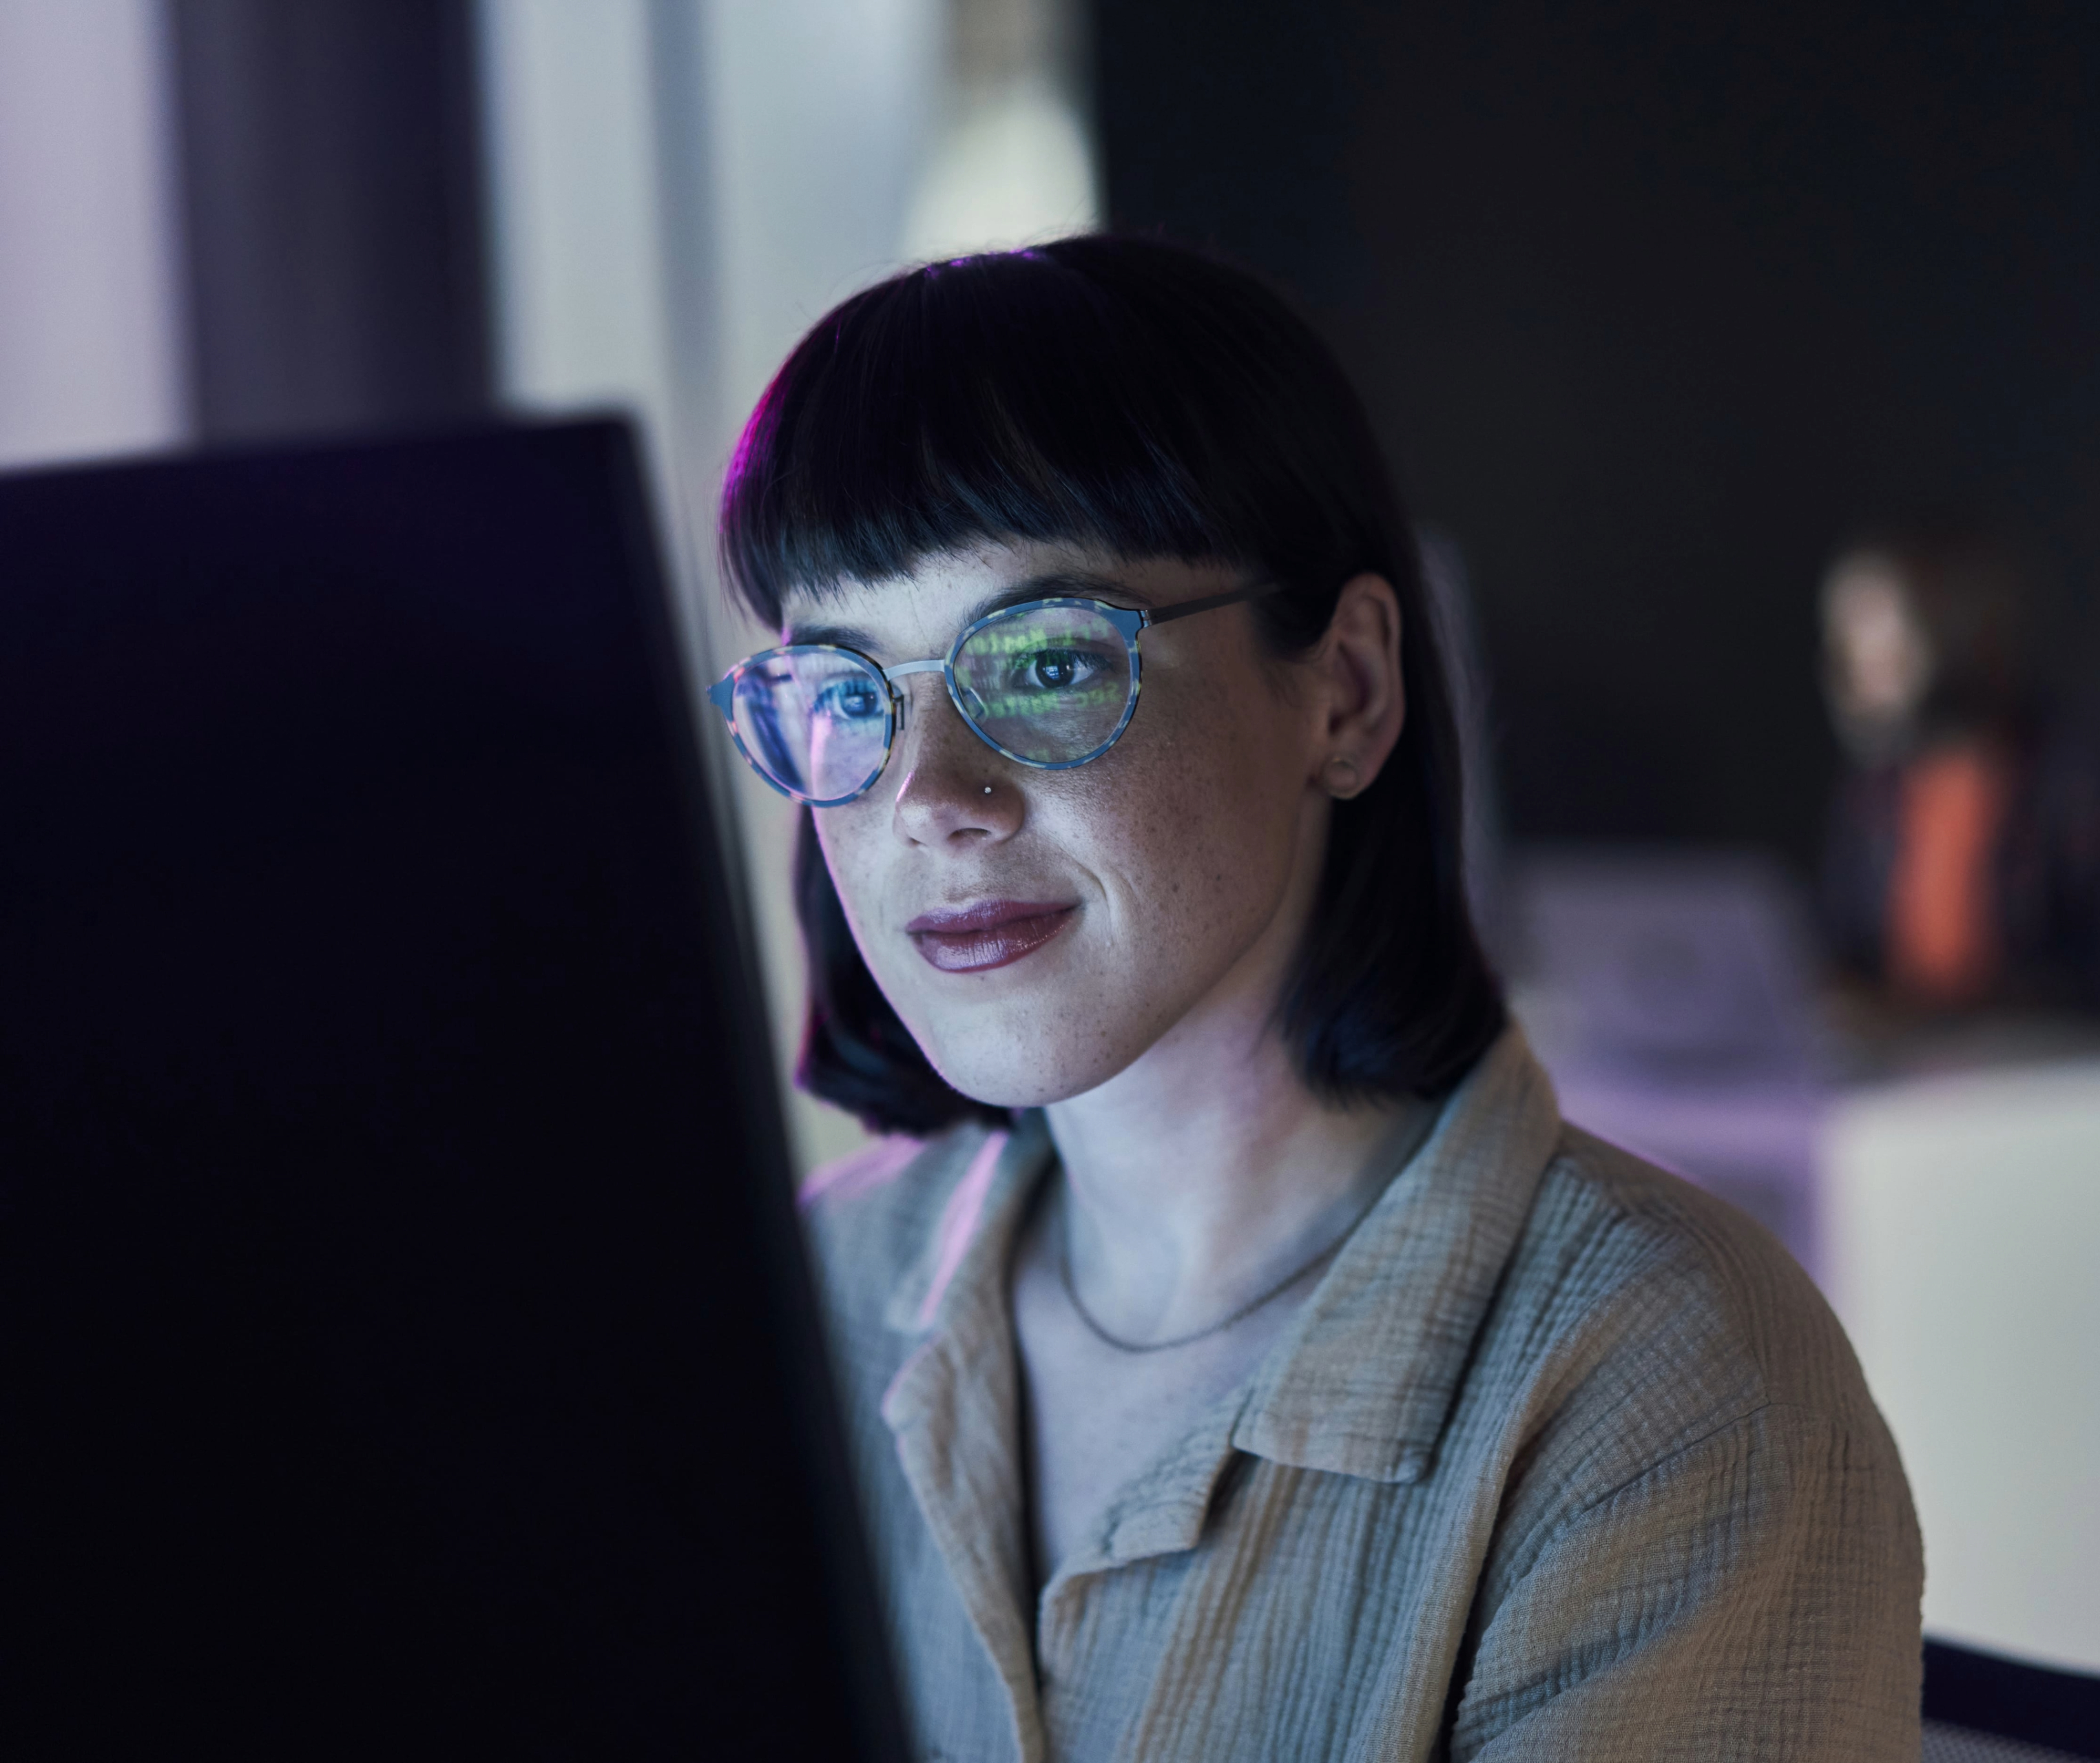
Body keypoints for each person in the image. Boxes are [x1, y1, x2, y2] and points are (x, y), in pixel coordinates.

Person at [709, 236, 1922, 1761]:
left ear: (1342, 689)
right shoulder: (804, 1300)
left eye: (1044, 661)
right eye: (841, 690)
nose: (928, 797)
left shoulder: (1662, 1389)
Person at [1818, 523, 2100, 1023]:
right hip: (1916, 1086)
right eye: (1843, 634)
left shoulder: (2082, 782)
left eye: (1876, 627)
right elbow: (1844, 958)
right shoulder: (1873, 800)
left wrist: (1983, 1011)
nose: (1855, 661)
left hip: (2060, 1084)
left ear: (1959, 620)